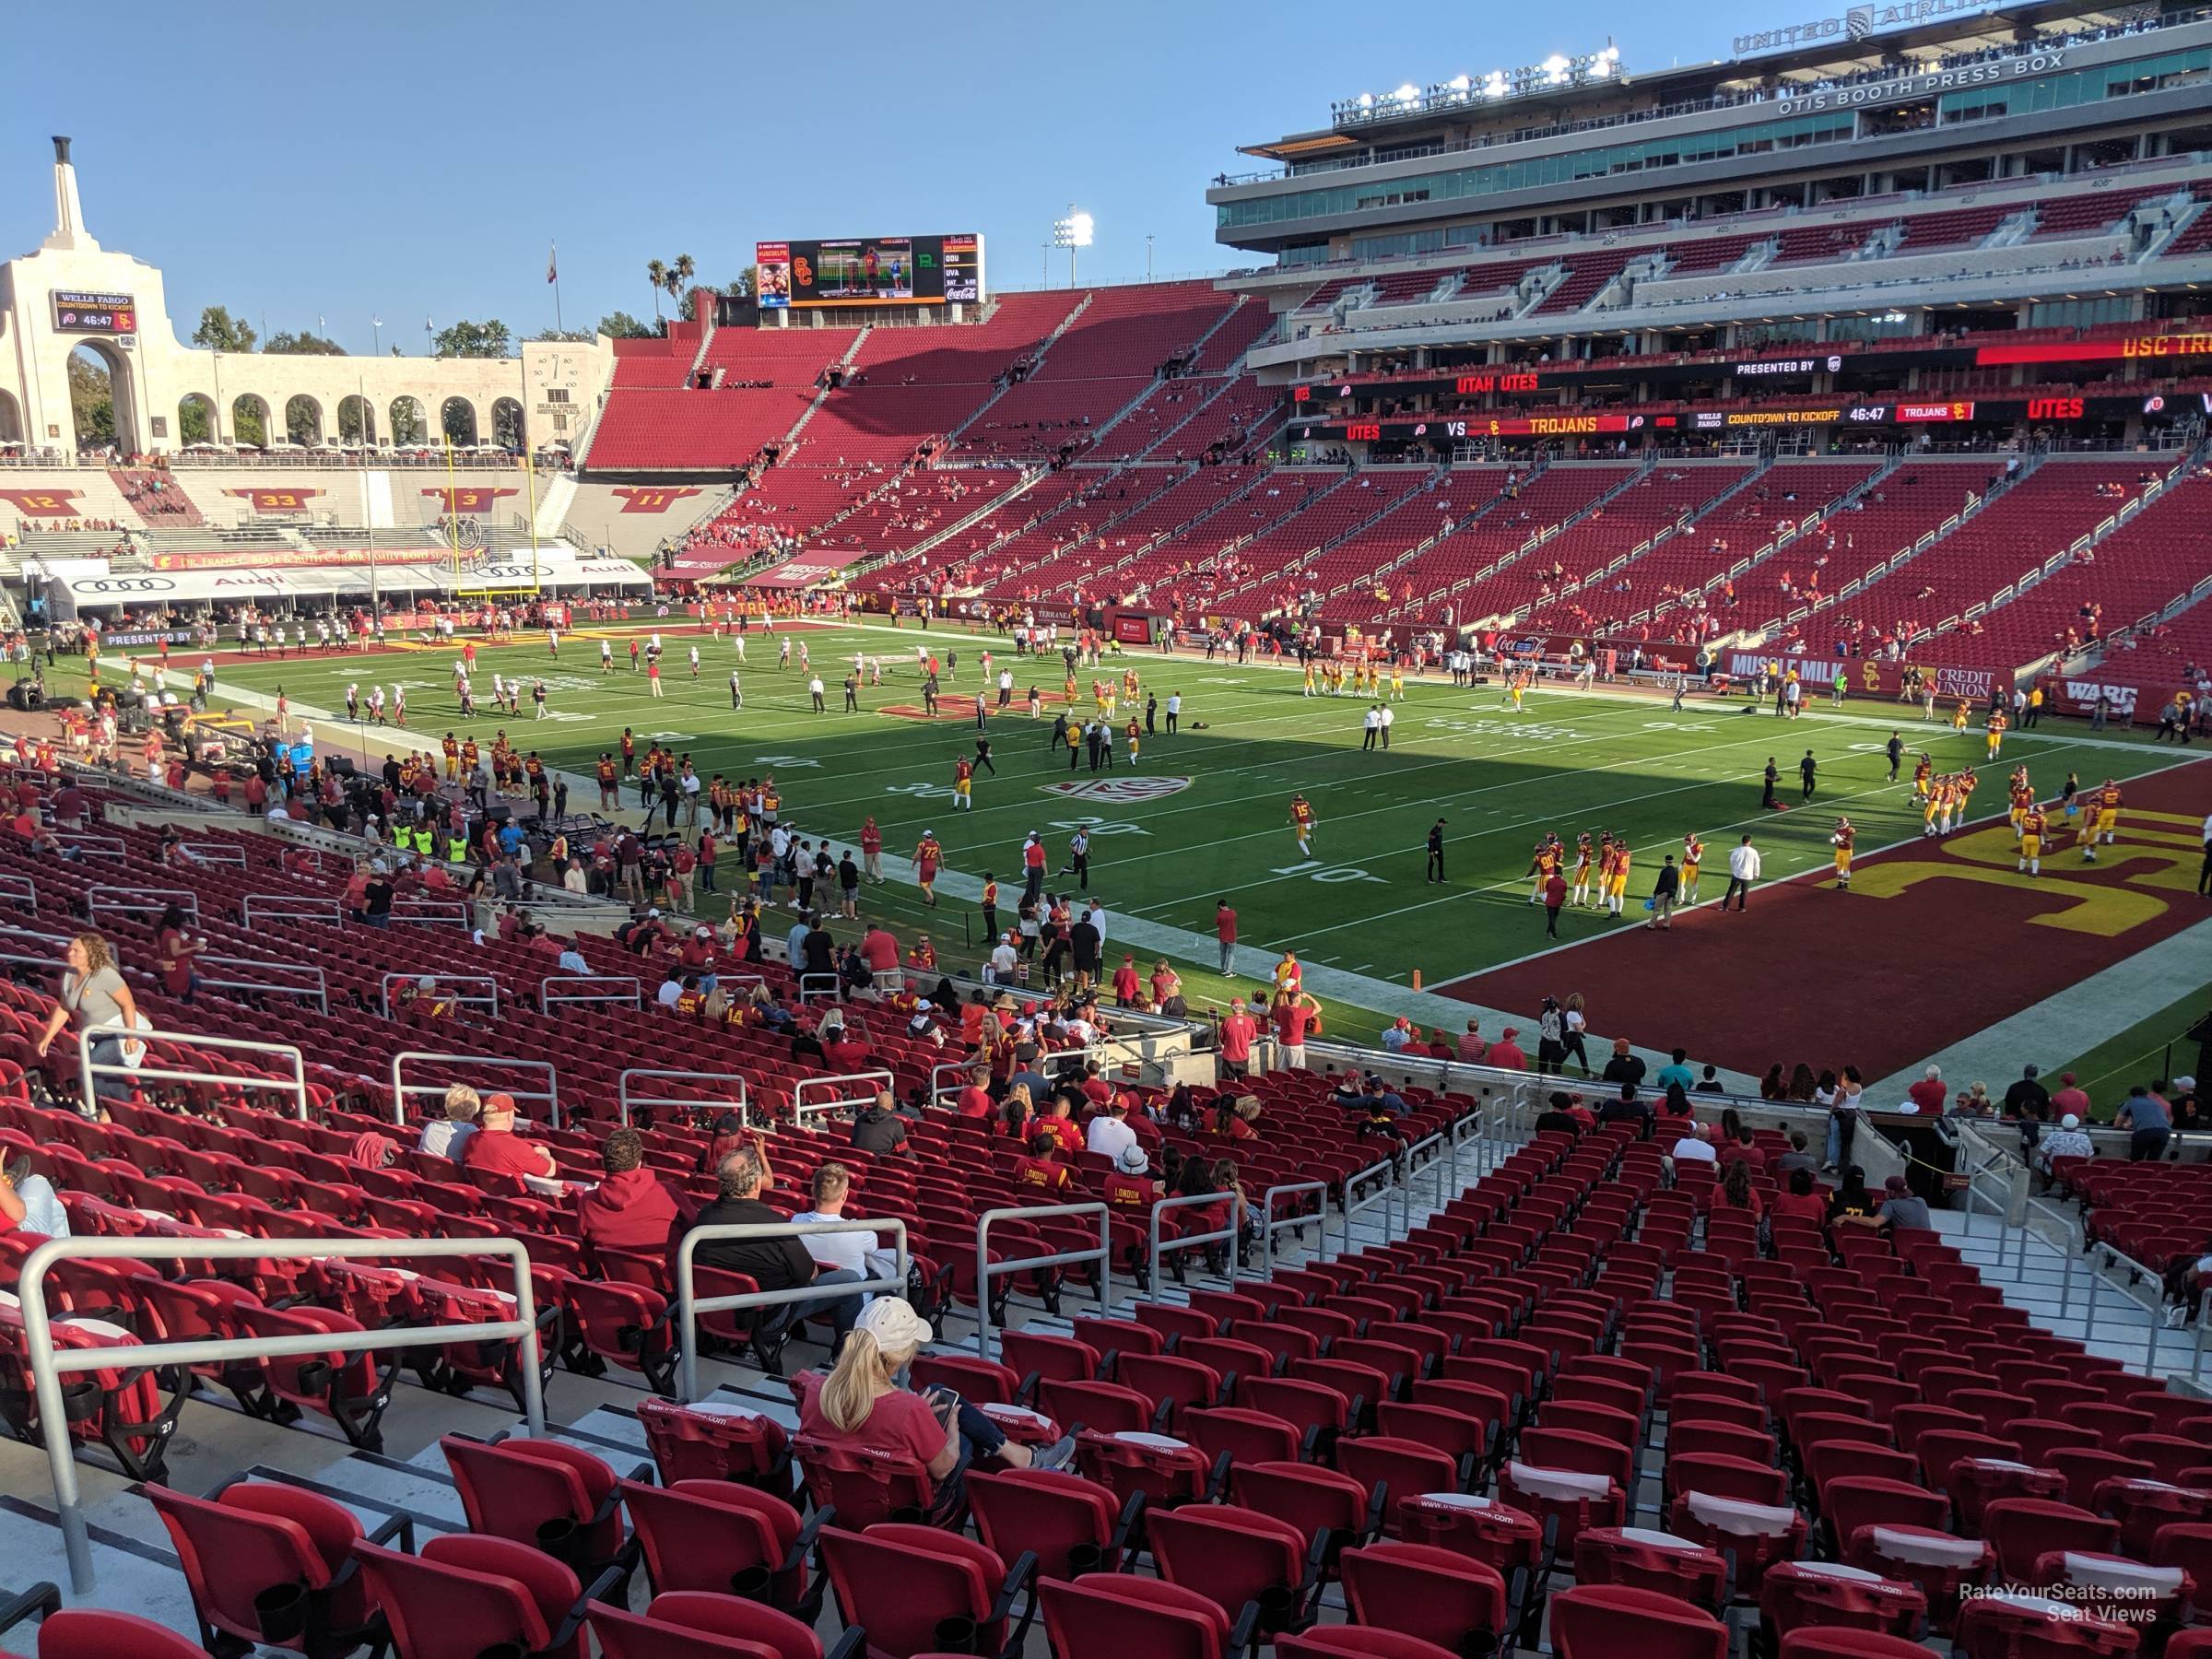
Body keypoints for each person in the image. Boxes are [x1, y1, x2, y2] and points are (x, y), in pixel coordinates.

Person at [793, 1298, 1072, 1526]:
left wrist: (916, 1417)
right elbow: (943, 1469)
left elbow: (861, 1426)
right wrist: (948, 1431)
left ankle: (1017, 1455)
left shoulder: (816, 1390)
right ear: (901, 1356)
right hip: (909, 1512)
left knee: (939, 1392)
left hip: (843, 1502)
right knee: (961, 1428)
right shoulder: (908, 1410)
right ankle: (1021, 1457)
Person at [689, 1138, 861, 1362]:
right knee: (851, 1280)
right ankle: (843, 1356)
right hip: (768, 1316)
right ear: (756, 1183)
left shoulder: (704, 1216)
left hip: (714, 1313)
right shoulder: (773, 1224)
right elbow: (809, 1274)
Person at [34, 933, 141, 1105]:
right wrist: (47, 1037)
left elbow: (128, 1004)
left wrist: (131, 1036)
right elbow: (64, 1007)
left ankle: (109, 1110)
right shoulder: (70, 975)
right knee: (110, 1077)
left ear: (91, 953)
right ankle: (129, 1116)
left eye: (76, 951)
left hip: (115, 1035)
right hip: (93, 1036)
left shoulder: (105, 975)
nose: (70, 953)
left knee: (87, 1072)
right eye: (70, 950)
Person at [574, 1127, 680, 1253]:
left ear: (605, 1164)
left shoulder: (587, 1202)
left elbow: (587, 1246)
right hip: (672, 1272)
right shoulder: (668, 1192)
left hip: (613, 1272)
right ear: (639, 1163)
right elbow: (695, 1229)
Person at [465, 1094, 560, 1182]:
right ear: (510, 1116)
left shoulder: (471, 1139)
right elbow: (550, 1171)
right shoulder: (516, 1147)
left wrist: (531, 1152)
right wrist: (545, 1153)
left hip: (485, 1197)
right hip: (520, 1197)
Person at [0, 1152, 69, 1237]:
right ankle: (63, 1248)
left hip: (7, 1240)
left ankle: (63, 1247)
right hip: (17, 1238)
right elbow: (19, 1213)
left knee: (55, 1208)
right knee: (38, 1181)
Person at [418, 1083, 482, 1159]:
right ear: (472, 1109)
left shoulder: (431, 1126)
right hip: (456, 1170)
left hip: (427, 1170)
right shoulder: (470, 1131)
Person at [2116, 1086, 2171, 1161]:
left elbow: (2117, 1124)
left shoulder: (2131, 1102)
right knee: (2153, 1162)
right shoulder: (2155, 1103)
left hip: (2145, 1132)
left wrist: (2126, 1125)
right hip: (2164, 1132)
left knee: (2136, 1160)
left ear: (2133, 1095)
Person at [849, 1089, 911, 1156]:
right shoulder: (896, 1124)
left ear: (875, 1103)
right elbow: (903, 1151)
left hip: (856, 1157)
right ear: (892, 1106)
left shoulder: (859, 1119)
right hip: (878, 1163)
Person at [1724, 835, 1760, 910]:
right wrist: (1756, 874)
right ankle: (1742, 907)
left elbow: (1732, 861)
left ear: (1742, 841)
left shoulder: (1737, 850)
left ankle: (1725, 906)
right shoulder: (1753, 851)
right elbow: (1757, 863)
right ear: (1749, 842)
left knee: (1731, 890)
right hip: (1748, 875)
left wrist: (1734, 869)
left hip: (1737, 874)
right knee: (1744, 892)